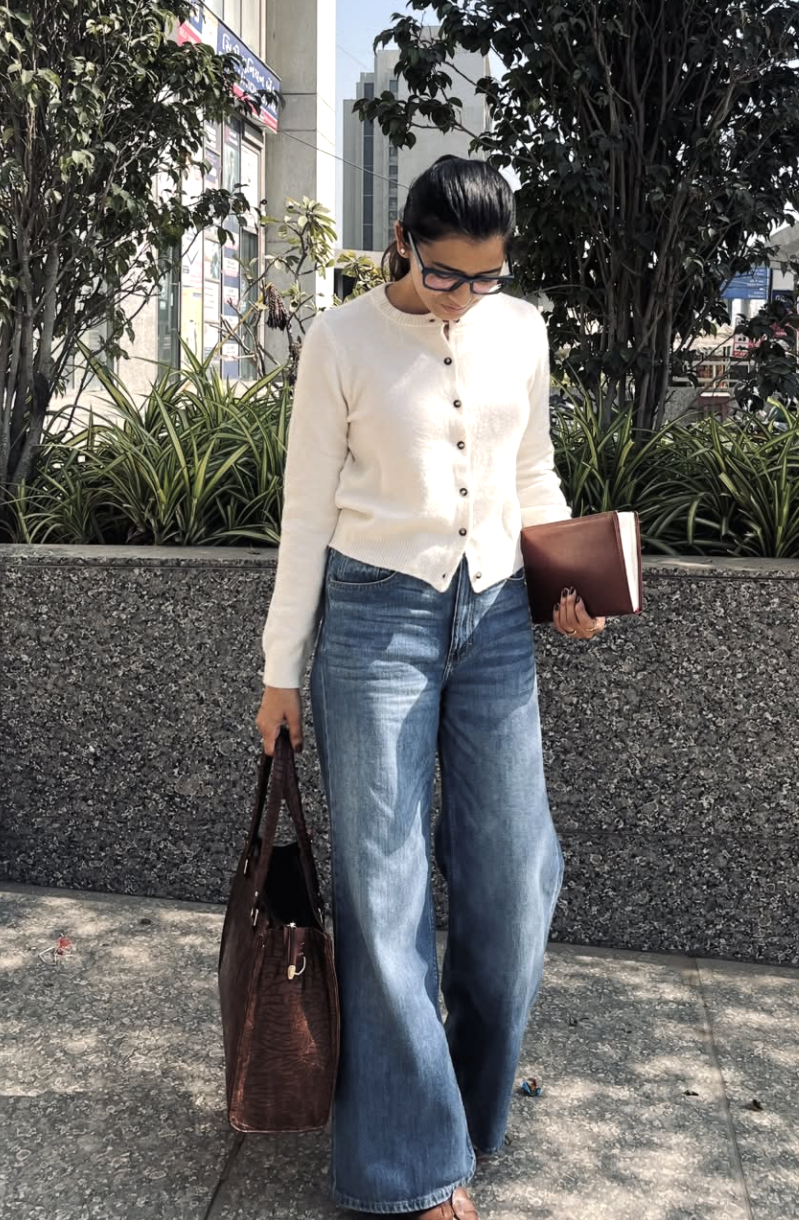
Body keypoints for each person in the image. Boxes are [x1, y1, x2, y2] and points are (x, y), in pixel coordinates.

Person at [255, 155, 604, 1220]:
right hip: (374, 620)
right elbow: (307, 510)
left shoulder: (521, 330)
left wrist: (571, 584)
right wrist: (279, 670)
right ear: (403, 241)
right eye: (446, 274)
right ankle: (414, 1163)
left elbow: (532, 474)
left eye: (486, 277)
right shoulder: (342, 339)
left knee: (514, 876)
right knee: (384, 887)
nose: (464, 297)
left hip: (495, 615)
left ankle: (464, 1107)